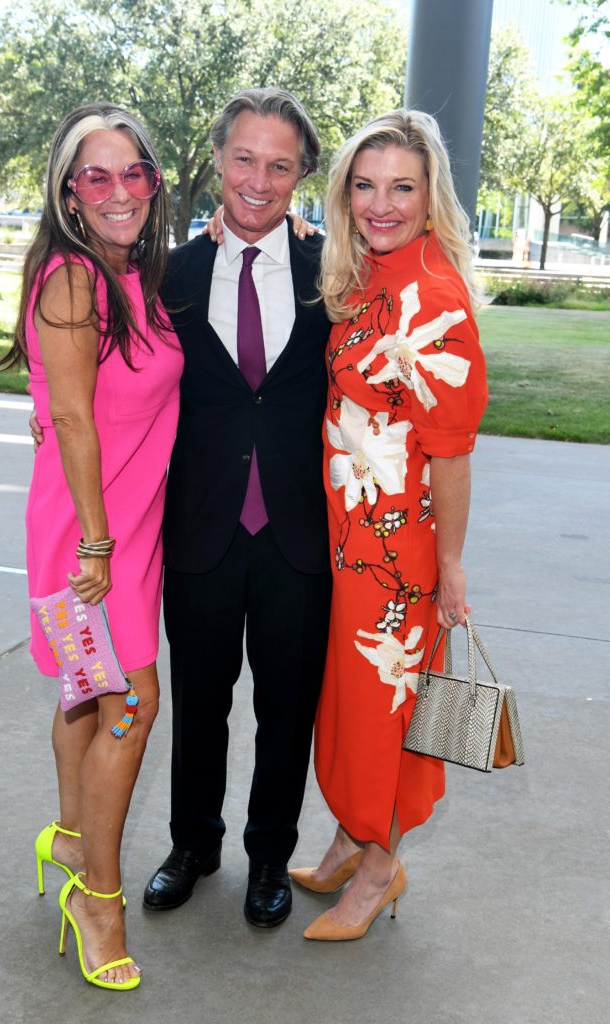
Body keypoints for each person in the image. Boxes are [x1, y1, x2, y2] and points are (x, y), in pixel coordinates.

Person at [288, 109, 488, 940]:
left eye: (402, 187)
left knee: (385, 713)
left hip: (400, 555)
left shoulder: (434, 300)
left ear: (430, 193)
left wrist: (451, 566)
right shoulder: (364, 273)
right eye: (364, 186)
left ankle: (380, 866)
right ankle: (351, 835)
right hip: (351, 539)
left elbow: (452, 455)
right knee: (350, 703)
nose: (381, 204)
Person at [142, 88, 333, 928]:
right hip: (202, 530)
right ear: (218, 157)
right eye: (244, 159)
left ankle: (269, 858)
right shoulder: (171, 274)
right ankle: (192, 845)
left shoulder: (335, 271)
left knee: (286, 711)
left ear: (302, 175)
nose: (258, 181)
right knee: (199, 705)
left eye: (279, 165)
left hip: (300, 535)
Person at [7, 102, 183, 988]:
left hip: (127, 530)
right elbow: (73, 417)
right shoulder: (74, 278)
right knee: (130, 705)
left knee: (88, 694)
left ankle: (72, 838)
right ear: (69, 193)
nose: (119, 191)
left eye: (133, 172)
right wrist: (98, 544)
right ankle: (99, 900)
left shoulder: (131, 274)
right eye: (96, 176)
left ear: (154, 182)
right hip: (91, 540)